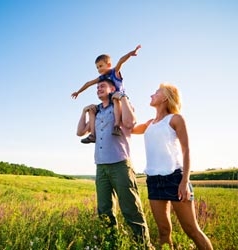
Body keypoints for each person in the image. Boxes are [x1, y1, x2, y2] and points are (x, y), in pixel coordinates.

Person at [132, 83, 213, 250]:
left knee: (191, 230)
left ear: (165, 98)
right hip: (154, 180)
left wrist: (184, 182)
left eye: (156, 92)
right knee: (163, 231)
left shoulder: (176, 119)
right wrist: (123, 103)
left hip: (175, 178)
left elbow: (186, 150)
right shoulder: (149, 124)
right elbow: (129, 128)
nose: (151, 95)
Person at [76, 78, 153, 249]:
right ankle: (111, 244)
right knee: (104, 210)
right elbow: (80, 131)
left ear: (113, 88)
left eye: (102, 86)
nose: (98, 89)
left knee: (130, 208)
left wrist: (123, 97)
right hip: (101, 166)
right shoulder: (97, 113)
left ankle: (144, 246)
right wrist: (83, 112)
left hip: (120, 164)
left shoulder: (119, 106)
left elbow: (130, 123)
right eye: (96, 87)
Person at [72, 44, 141, 144]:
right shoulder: (102, 78)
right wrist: (78, 92)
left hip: (119, 98)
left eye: (100, 66)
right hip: (109, 101)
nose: (99, 69)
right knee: (92, 110)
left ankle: (116, 125)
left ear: (108, 65)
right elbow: (89, 83)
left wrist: (131, 53)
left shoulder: (114, 72)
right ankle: (93, 135)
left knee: (114, 98)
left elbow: (121, 61)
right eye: (97, 68)